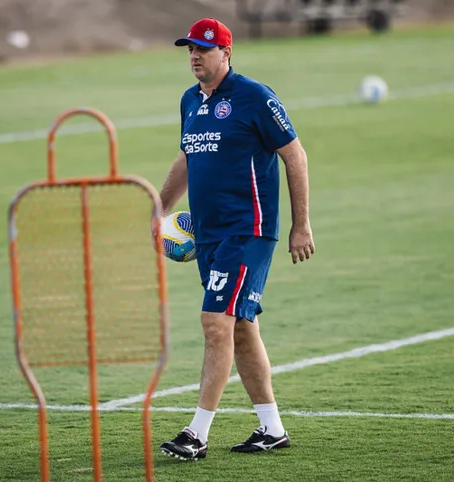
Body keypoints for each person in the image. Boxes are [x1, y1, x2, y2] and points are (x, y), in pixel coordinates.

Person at [157, 17, 314, 461]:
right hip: (208, 236)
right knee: (242, 328)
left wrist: (300, 225)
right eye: (190, 49)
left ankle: (196, 434)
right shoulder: (190, 101)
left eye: (203, 50)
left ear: (226, 53)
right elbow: (188, 157)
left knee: (214, 323)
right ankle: (272, 428)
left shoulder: (256, 98)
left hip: (247, 232)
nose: (194, 56)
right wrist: (160, 208)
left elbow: (295, 156)